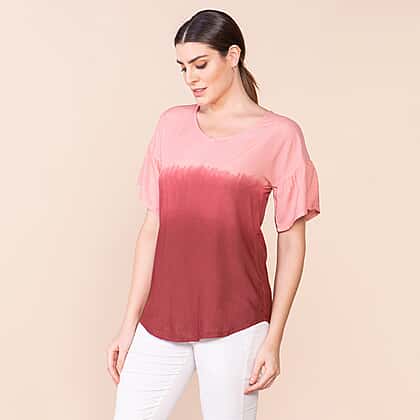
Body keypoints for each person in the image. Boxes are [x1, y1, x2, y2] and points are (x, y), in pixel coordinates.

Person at [107, 9, 320, 420]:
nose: (191, 78)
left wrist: (273, 337)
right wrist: (129, 323)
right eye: (183, 67)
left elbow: (292, 242)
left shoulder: (280, 135)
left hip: (236, 322)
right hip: (162, 319)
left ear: (233, 55)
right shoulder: (170, 125)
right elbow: (152, 228)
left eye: (200, 64)